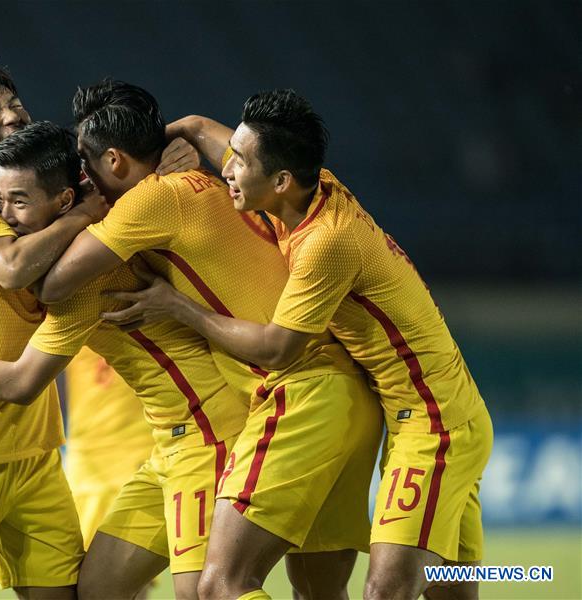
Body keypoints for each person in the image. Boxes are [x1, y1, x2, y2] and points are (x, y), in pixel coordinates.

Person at [109, 90, 493, 600]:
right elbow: (202, 126)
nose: (226, 168)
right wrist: (165, 148)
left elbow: (276, 349)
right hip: (434, 412)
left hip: (433, 423)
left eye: (239, 162)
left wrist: (181, 308)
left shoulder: (326, 242)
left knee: (385, 591)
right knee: (450, 586)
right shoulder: (310, 186)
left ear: (280, 181)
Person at [36, 79, 383, 599]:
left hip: (296, 393)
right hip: (319, 392)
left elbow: (49, 283)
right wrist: (188, 129)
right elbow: (236, 151)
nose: (83, 177)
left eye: (86, 163)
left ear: (114, 160)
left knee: (220, 587)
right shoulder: (220, 180)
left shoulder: (153, 200)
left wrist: (79, 211)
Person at [0, 62, 197, 600]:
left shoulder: (50, 188)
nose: (11, 116)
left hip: (36, 452)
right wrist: (83, 214)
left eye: (14, 103)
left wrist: (171, 149)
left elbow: (116, 152)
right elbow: (13, 268)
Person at [63, 347, 153, 551]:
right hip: (86, 457)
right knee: (83, 560)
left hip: (140, 448)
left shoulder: (152, 317)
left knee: (133, 559)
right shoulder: (70, 319)